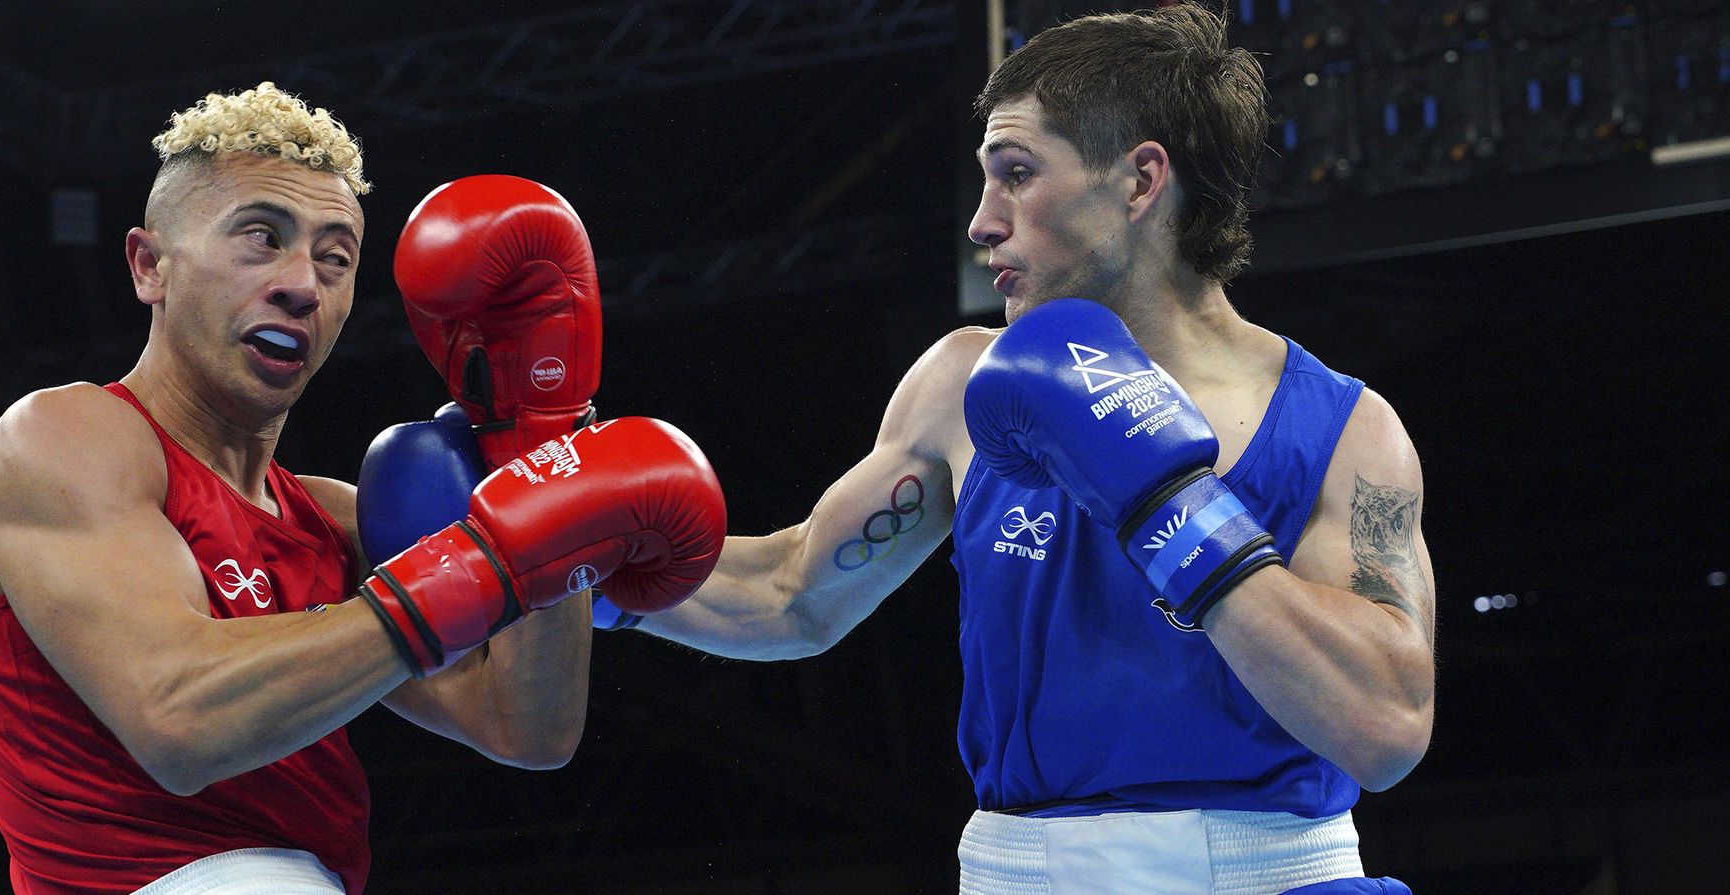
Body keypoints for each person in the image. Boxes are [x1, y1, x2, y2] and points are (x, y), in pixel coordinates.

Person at [610, 5, 1433, 892]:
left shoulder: (1344, 428)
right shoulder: (967, 385)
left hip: (1270, 874)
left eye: (1017, 174)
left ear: (1140, 180)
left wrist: (1166, 503)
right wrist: (595, 564)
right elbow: (791, 593)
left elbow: (1386, 725)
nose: (981, 222)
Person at [0, 82, 726, 894]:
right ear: (150, 266)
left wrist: (541, 454)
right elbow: (178, 717)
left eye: (335, 256)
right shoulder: (62, 440)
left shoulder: (334, 521)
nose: (302, 284)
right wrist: (484, 566)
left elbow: (526, 725)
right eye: (261, 237)